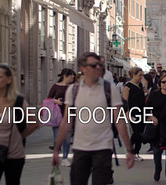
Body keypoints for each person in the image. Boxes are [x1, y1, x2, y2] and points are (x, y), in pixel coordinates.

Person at [51, 52, 134, 184]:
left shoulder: (109, 88)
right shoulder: (73, 90)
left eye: (100, 65)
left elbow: (119, 120)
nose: (98, 68)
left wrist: (129, 150)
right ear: (82, 68)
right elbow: (67, 122)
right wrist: (56, 150)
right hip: (80, 148)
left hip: (103, 147)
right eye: (94, 65)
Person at [0, 64, 39, 184]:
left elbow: (34, 123)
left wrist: (20, 136)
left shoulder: (18, 102)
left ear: (9, 79)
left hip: (14, 155)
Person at [47, 68, 75, 167]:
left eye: (73, 75)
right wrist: (56, 101)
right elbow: (48, 99)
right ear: (64, 76)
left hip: (69, 115)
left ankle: (65, 158)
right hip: (57, 115)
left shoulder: (73, 87)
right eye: (70, 75)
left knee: (67, 138)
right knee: (57, 138)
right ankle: (56, 155)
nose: (72, 77)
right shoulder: (55, 86)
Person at [122, 67, 145, 161]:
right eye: (139, 75)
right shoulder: (128, 86)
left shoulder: (140, 85)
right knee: (136, 132)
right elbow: (124, 100)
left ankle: (136, 152)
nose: (141, 77)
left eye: (142, 75)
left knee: (140, 133)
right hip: (133, 112)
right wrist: (127, 112)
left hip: (141, 111)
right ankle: (130, 150)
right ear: (134, 75)